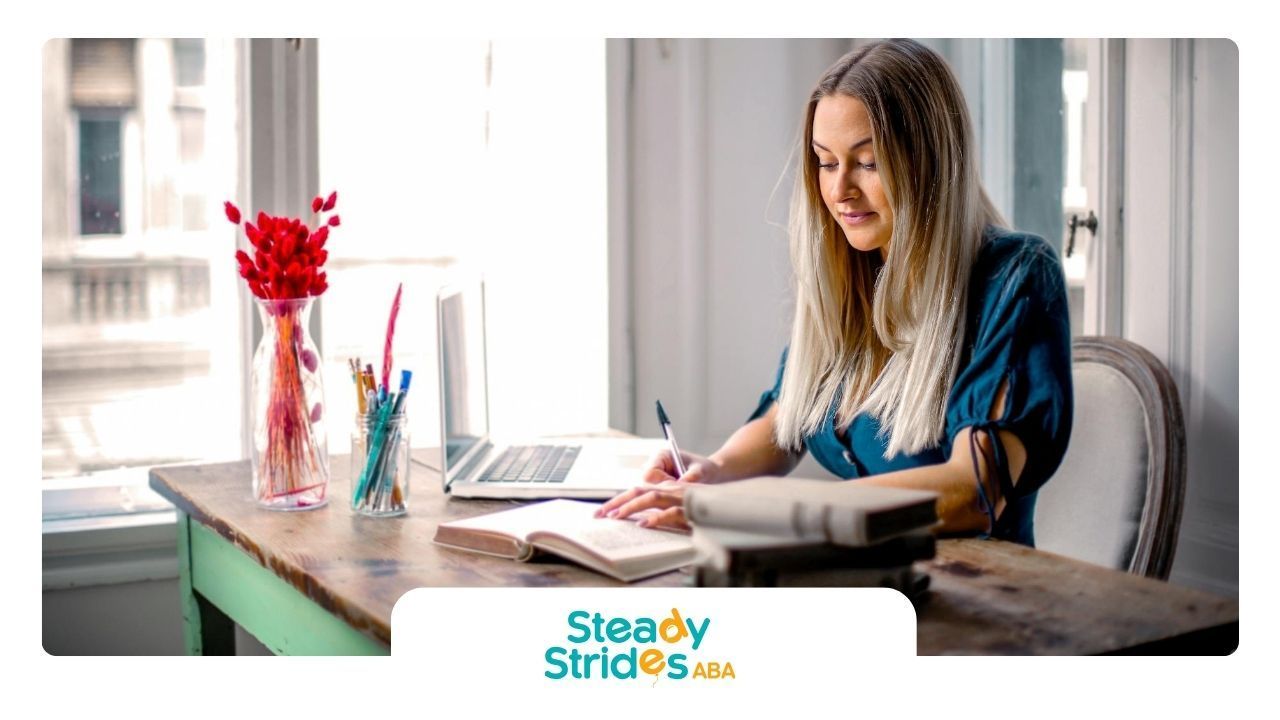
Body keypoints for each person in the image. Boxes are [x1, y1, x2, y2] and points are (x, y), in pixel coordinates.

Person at [597, 39, 1073, 547]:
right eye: (826, 163)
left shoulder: (1016, 279)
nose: (840, 190)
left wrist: (754, 508)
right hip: (857, 574)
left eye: (867, 163)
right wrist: (713, 471)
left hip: (977, 593)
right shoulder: (853, 271)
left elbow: (971, 492)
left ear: (932, 163)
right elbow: (789, 418)